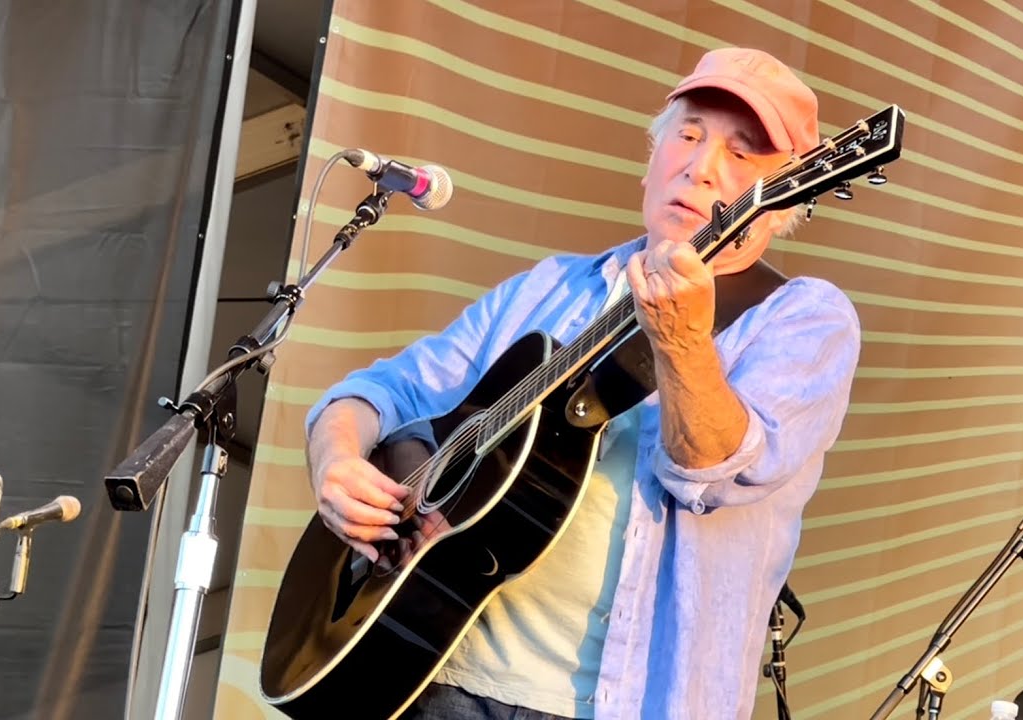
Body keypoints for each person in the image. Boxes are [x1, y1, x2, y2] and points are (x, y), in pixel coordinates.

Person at [304, 47, 862, 720]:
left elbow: (715, 475)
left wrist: (683, 343)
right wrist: (336, 459)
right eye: (688, 135)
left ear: (786, 197)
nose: (701, 166)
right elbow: (384, 390)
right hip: (434, 677)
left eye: (741, 153)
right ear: (652, 159)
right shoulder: (551, 286)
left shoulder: (804, 319)